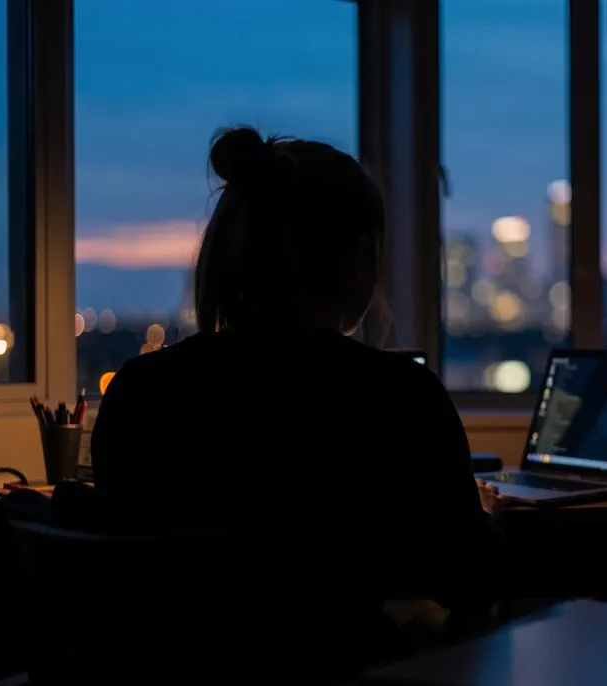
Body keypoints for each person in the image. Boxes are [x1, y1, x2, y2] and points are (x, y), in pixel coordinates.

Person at [87, 127, 507, 679]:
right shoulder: (395, 396)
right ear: (361, 258)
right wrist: (481, 518)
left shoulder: (138, 392)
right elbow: (471, 576)